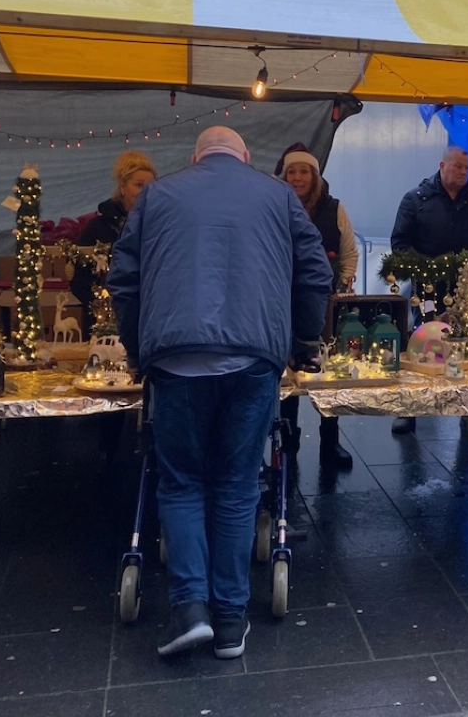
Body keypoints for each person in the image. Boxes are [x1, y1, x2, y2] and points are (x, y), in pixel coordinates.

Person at [107, 126, 333, 661]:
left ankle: (190, 608)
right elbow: (314, 270)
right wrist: (303, 342)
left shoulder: (159, 195)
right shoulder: (278, 195)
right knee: (235, 486)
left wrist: (140, 349)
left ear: (195, 157)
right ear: (246, 156)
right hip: (254, 359)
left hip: (177, 359)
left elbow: (125, 277)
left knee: (181, 482)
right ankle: (231, 622)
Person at [390, 145, 468, 437]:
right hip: (426, 288)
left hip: (467, 289)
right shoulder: (415, 200)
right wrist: (423, 271)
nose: (463, 173)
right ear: (442, 165)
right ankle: (410, 408)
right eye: (457, 167)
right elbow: (400, 243)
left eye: (467, 168)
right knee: (421, 346)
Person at [276, 143, 357, 469]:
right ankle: (287, 438)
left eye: (303, 171)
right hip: (282, 301)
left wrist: (341, 285)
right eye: (291, 171)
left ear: (315, 176)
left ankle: (330, 440)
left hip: (325, 303)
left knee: (326, 371)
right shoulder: (274, 205)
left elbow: (349, 252)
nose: (297, 178)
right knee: (287, 369)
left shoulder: (334, 208)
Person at [70, 151, 157, 335]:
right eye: (139, 185)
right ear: (123, 187)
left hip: (149, 320)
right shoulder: (98, 227)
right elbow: (79, 279)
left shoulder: (160, 226)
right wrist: (101, 307)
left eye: (151, 186)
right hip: (104, 325)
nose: (145, 192)